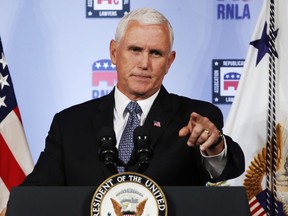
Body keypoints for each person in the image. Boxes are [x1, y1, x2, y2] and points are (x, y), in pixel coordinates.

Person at [20, 8, 245, 187]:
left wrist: (214, 144)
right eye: (135, 50)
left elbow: (224, 171)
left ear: (169, 61)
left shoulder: (193, 118)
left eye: (155, 53)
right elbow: (38, 190)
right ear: (114, 53)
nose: (144, 63)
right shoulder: (69, 124)